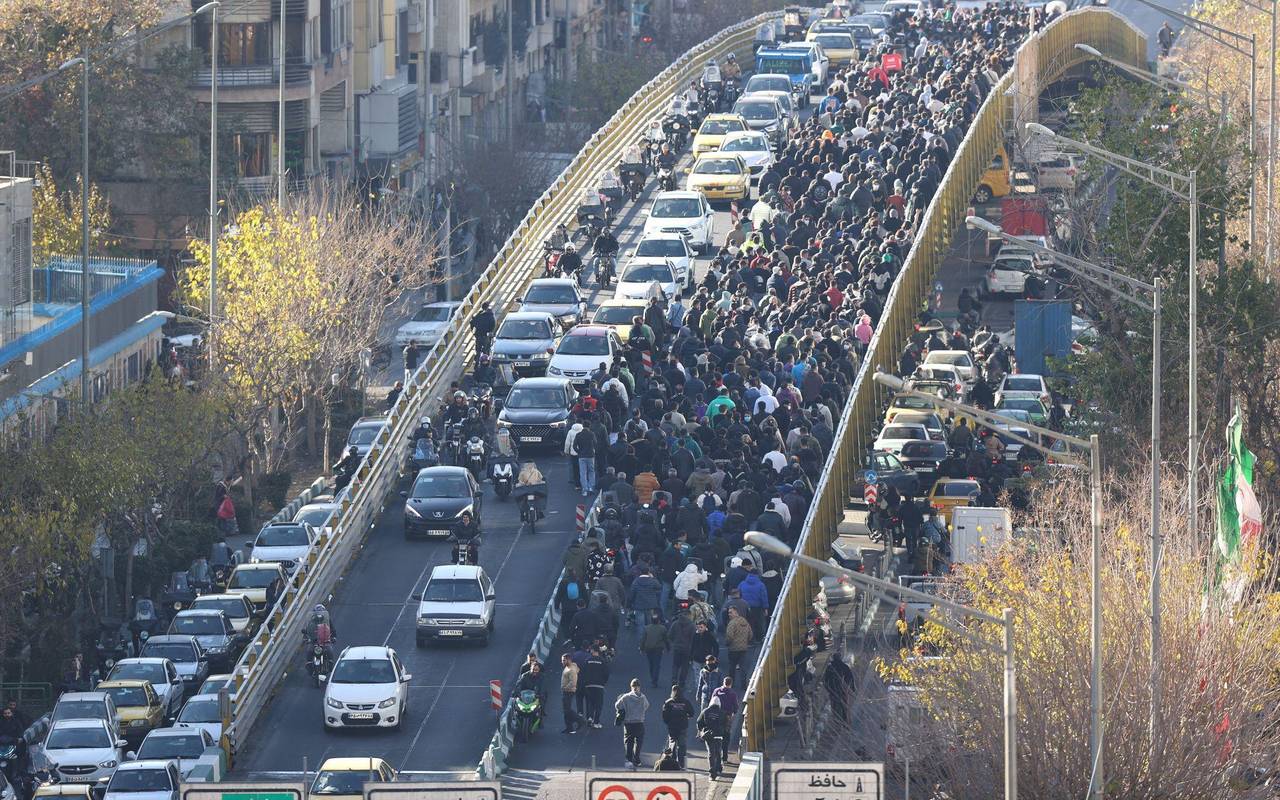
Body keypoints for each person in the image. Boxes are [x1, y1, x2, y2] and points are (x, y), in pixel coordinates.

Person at [614, 679, 650, 769]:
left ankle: (629, 760)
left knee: (628, 742)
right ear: (639, 687)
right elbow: (647, 706)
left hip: (629, 723)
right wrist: (640, 712)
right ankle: (637, 758)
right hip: (639, 722)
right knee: (639, 742)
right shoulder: (643, 697)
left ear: (631, 686)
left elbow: (617, 706)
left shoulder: (626, 697)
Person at [660, 683, 696, 769]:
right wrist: (687, 716)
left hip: (672, 727)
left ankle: (673, 763)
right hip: (682, 726)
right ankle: (682, 764)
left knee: (672, 744)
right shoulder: (685, 702)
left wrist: (668, 722)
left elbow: (664, 715)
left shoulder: (668, 702)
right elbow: (692, 713)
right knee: (682, 746)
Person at [697, 696, 728, 779]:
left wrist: (701, 731)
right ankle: (718, 768)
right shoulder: (722, 712)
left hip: (709, 735)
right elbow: (726, 725)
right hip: (719, 735)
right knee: (718, 752)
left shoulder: (705, 711)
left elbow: (699, 722)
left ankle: (712, 773)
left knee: (711, 753)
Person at [581, 646, 611, 728]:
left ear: (593, 651)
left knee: (590, 702)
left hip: (589, 685)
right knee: (599, 704)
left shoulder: (587, 660)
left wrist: (585, 682)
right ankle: (596, 722)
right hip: (599, 685)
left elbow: (582, 672)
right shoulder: (602, 661)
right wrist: (603, 682)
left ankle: (590, 717)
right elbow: (606, 673)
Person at [640, 610, 669, 688]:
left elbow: (643, 639)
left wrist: (641, 648)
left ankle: (652, 676)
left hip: (648, 648)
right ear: (659, 621)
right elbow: (666, 639)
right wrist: (668, 648)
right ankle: (654, 679)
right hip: (658, 649)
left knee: (651, 664)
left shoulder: (646, 628)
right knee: (657, 664)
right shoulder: (663, 628)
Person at [560, 653, 584, 734]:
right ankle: (569, 727)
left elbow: (573, 682)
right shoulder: (571, 666)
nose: (562, 662)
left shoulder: (571, 670)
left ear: (569, 660)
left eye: (564, 660)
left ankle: (580, 720)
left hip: (568, 691)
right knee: (566, 711)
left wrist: (565, 688)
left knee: (567, 711)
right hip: (566, 691)